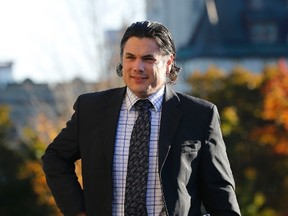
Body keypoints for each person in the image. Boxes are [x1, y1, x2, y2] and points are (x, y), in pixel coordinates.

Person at [42, 21, 241, 216]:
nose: (138, 67)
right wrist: (76, 210)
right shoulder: (91, 109)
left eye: (148, 58)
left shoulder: (199, 115)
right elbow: (55, 158)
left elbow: (221, 193)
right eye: (130, 57)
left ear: (168, 63)